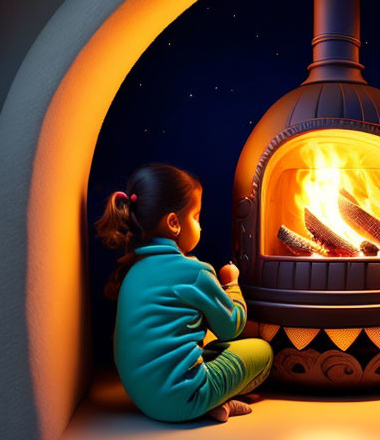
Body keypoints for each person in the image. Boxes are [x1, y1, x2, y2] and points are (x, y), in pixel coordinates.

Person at [95, 163, 273, 423]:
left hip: (143, 399)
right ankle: (206, 402)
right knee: (262, 352)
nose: (201, 226)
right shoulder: (195, 271)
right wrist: (231, 283)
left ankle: (201, 401)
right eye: (197, 217)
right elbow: (232, 327)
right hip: (181, 396)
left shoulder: (132, 271)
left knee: (210, 343)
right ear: (174, 223)